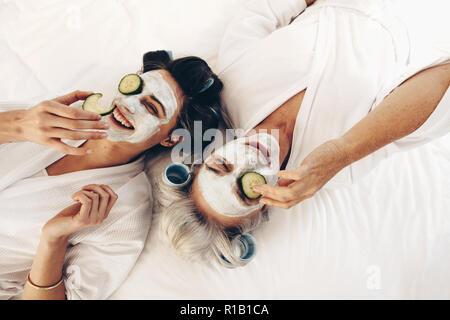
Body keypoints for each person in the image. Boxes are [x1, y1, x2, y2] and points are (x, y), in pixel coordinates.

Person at [159, 0, 450, 267]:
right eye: (246, 191)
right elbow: (442, 78)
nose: (247, 160)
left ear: (209, 154)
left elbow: (272, 8)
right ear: (262, 209)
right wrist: (342, 152)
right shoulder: (340, 168)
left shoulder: (231, 80)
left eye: (221, 165)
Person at [0, 50, 225, 299]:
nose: (128, 103)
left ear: (173, 139)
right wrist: (17, 125)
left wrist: (54, 237)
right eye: (135, 88)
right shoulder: (55, 116)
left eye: (151, 107)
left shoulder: (126, 211)